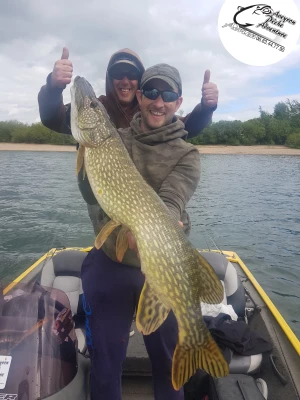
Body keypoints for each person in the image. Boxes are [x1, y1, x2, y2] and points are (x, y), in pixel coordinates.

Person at [80, 63, 201, 400]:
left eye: (167, 94)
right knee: (104, 363)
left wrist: (156, 227)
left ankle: (195, 345)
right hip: (111, 265)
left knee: (168, 364)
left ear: (178, 102)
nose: (157, 101)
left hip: (163, 266)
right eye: (150, 92)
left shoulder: (188, 155)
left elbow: (173, 198)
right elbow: (92, 194)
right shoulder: (113, 140)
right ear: (139, 96)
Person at [38, 48, 219, 234]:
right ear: (110, 78)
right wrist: (53, 88)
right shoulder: (96, 107)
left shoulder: (149, 110)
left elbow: (179, 129)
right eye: (118, 73)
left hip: (145, 207)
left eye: (132, 74)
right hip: (102, 197)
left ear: (139, 82)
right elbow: (54, 118)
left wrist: (206, 109)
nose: (125, 80)